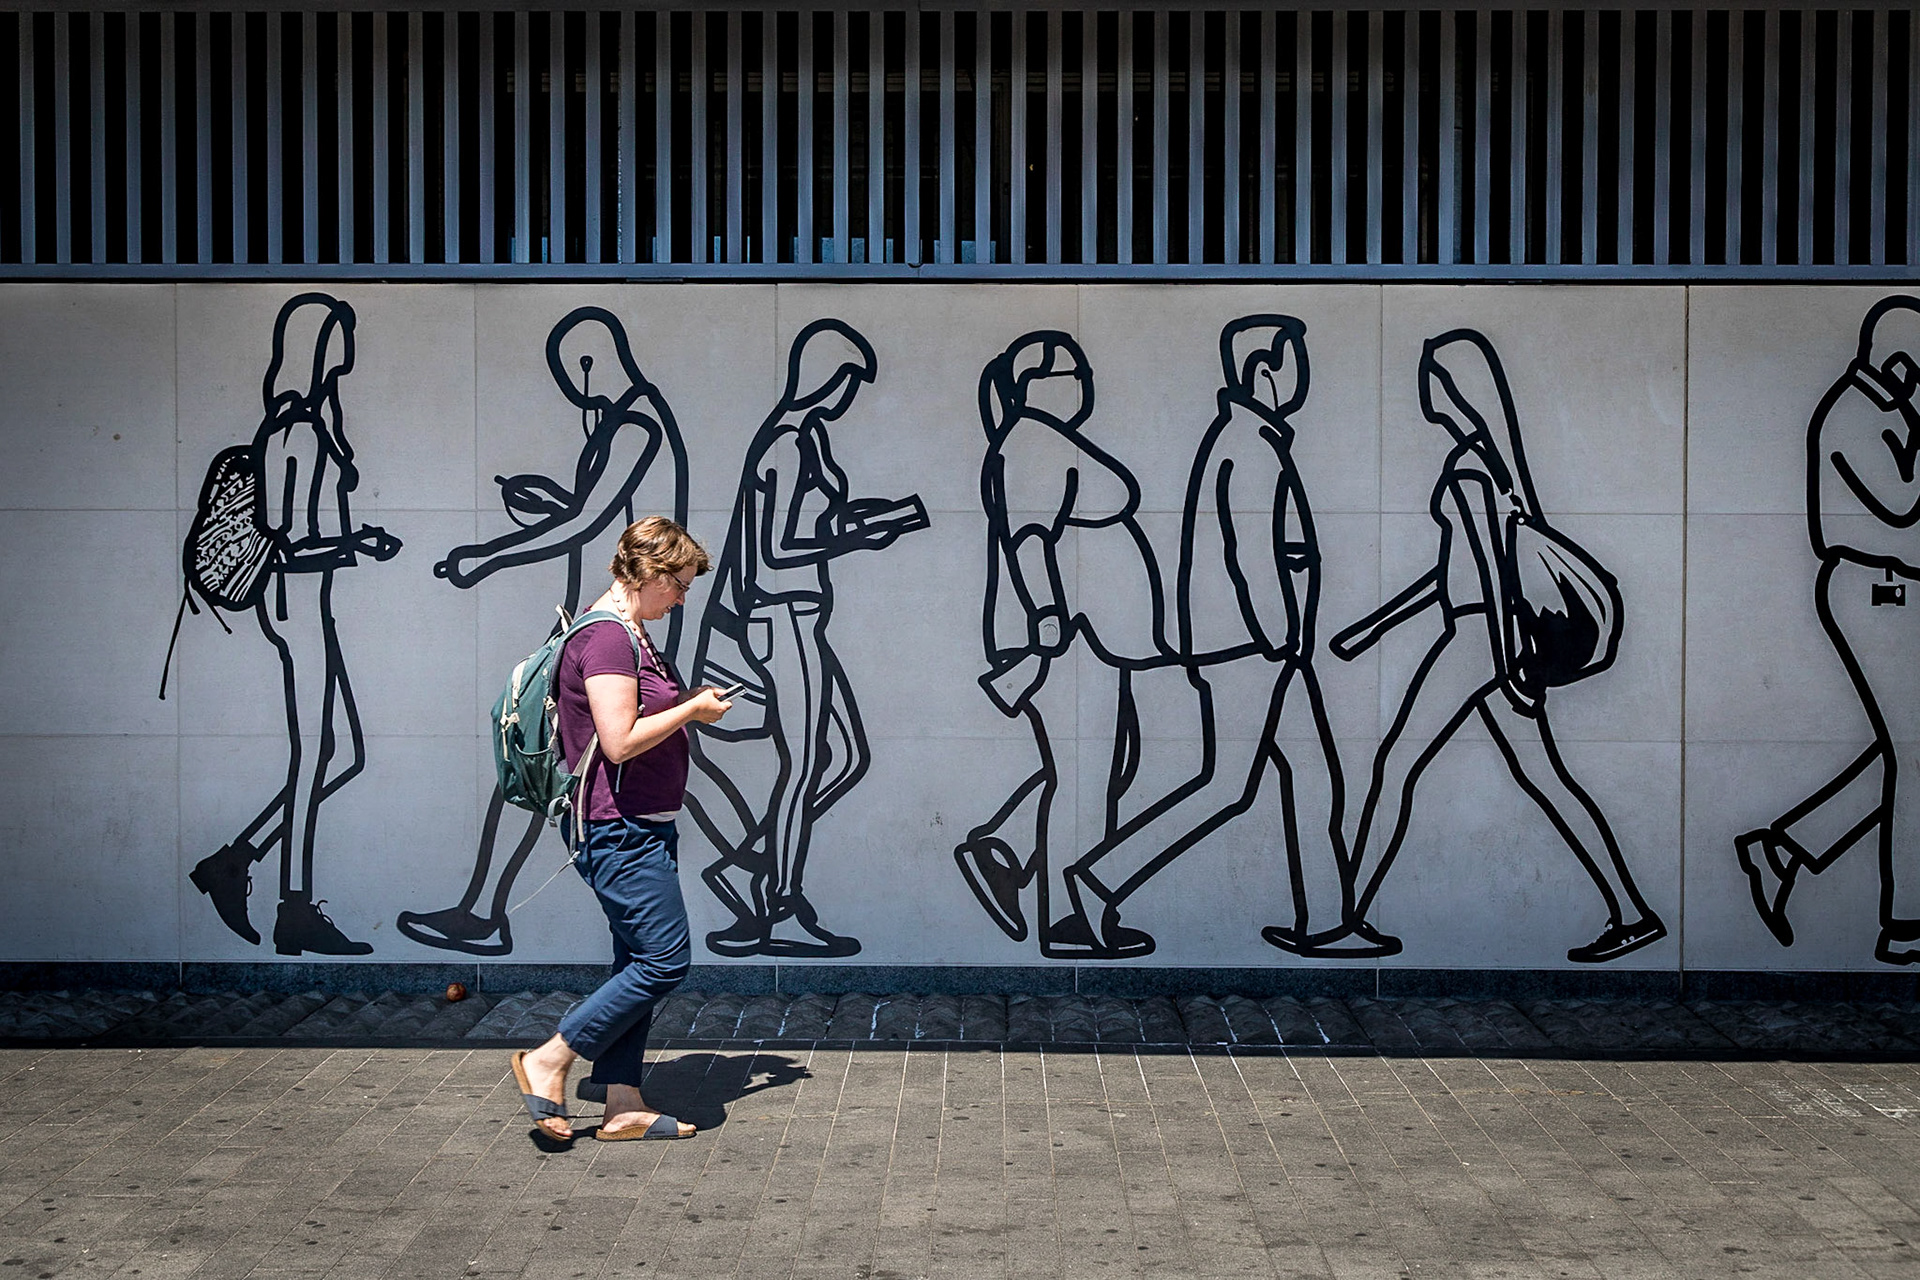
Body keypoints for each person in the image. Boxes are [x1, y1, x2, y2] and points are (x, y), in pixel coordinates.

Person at [1328, 329, 1665, 963]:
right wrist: (1376, 625)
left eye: (1431, 374)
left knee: (1395, 764)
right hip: (1494, 637)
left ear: (1451, 389)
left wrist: (1508, 660)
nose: (1422, 386)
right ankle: (1632, 911)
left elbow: (1488, 574)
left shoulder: (1466, 467)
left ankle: (1349, 917)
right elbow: (1455, 570)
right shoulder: (1494, 465)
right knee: (1547, 778)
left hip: (1481, 638)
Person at [1046, 317, 1358, 959]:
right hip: (1252, 646)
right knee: (1226, 785)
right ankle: (1095, 883)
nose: (1302, 372)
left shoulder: (1252, 438)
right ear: (1263, 371)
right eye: (1293, 359)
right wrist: (1282, 636)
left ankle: (1326, 921)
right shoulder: (1248, 443)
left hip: (1260, 645)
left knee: (1312, 777)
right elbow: (1250, 552)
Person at [397, 307, 689, 955]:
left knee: (571, 755)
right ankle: (482, 908)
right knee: (555, 757)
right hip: (607, 628)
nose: (578, 393)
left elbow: (585, 521)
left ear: (598, 362)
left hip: (614, 629)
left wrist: (490, 553)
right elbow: (583, 510)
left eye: (578, 375)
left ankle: (483, 911)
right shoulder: (621, 424)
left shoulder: (636, 423)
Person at [683, 318, 929, 957]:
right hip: (779, 617)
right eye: (848, 382)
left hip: (797, 619)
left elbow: (808, 522)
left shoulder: (805, 441)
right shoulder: (787, 443)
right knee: (805, 764)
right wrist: (858, 537)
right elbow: (778, 548)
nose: (850, 397)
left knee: (843, 755)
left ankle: (747, 871)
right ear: (827, 377)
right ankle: (783, 908)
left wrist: (866, 518)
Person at [184, 293, 402, 956]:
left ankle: (240, 862)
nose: (346, 350)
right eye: (336, 337)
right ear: (315, 347)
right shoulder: (295, 429)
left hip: (307, 601)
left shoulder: (305, 424)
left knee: (339, 752)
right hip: (296, 602)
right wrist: (357, 546)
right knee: (318, 752)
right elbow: (285, 542)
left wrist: (349, 542)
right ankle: (293, 906)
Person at [954, 331, 1177, 958]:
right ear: (1034, 387)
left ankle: (1005, 854)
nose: (1082, 378)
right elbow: (1030, 538)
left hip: (1086, 639)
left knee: (1094, 770)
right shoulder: (1034, 444)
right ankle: (1071, 919)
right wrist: (1049, 619)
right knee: (1086, 776)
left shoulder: (1039, 441)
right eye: (1068, 371)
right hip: (1069, 640)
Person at [510, 517, 732, 1141]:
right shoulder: (608, 639)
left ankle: (624, 1103)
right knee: (664, 961)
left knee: (633, 961)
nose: (684, 599)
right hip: (619, 829)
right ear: (652, 575)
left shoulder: (631, 633)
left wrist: (684, 700)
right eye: (680, 586)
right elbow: (618, 741)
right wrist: (691, 708)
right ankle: (549, 1058)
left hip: (641, 826)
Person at [1737, 295, 1920, 963]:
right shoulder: (1856, 413)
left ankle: (1782, 850)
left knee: (1904, 752)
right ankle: (1906, 925)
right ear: (1899, 364)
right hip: (1876, 592)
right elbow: (1903, 504)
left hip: (1890, 593)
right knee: (1915, 757)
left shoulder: (1880, 410)